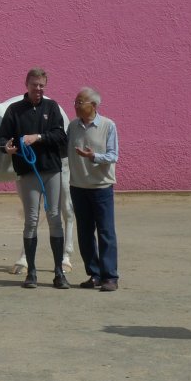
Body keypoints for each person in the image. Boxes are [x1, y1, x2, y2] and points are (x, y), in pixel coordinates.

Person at [0, 68, 70, 289]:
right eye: (34, 85)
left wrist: (37, 137)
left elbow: (60, 136)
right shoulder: (14, 110)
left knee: (55, 216)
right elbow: (2, 138)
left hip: (51, 170)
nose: (38, 89)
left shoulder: (52, 107)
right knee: (31, 220)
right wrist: (6, 147)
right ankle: (31, 272)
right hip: (28, 172)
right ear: (26, 84)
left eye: (41, 85)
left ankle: (59, 273)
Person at [68, 87, 120, 291]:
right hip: (78, 187)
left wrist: (93, 157)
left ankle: (110, 277)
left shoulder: (108, 126)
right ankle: (94, 274)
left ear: (94, 105)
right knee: (84, 233)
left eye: (80, 102)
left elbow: (113, 155)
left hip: (101, 188)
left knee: (106, 232)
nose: (76, 106)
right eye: (75, 102)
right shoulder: (73, 127)